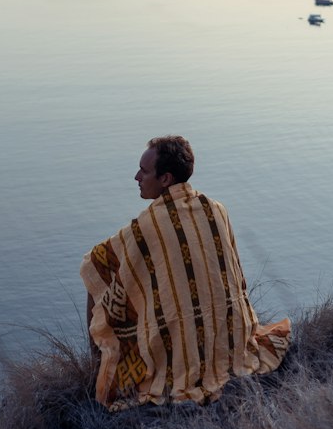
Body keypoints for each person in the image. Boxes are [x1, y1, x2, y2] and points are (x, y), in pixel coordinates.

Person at [81, 135, 291, 409]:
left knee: (96, 272)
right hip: (233, 339)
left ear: (165, 179)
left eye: (144, 171)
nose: (137, 177)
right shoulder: (217, 209)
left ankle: (97, 365)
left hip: (177, 359)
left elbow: (94, 265)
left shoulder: (145, 227)